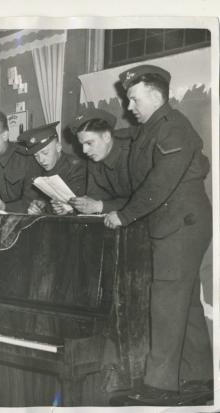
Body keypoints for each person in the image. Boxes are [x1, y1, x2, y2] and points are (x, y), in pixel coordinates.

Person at [105, 65, 212, 403]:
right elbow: (140, 182)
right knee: (185, 302)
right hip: (176, 224)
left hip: (180, 227)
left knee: (165, 302)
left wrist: (124, 215)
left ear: (155, 95)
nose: (129, 107)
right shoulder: (152, 130)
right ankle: (200, 377)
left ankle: (161, 386)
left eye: (134, 99)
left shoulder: (172, 127)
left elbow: (159, 182)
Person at [67, 109, 132, 216]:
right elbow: (95, 197)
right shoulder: (94, 159)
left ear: (106, 137)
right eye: (82, 144)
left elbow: (145, 199)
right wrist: (78, 206)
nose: (84, 150)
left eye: (89, 143)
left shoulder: (132, 153)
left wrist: (100, 206)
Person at [16, 121, 87, 215]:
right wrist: (37, 207)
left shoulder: (76, 167)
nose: (41, 160)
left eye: (45, 153)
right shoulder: (36, 169)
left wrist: (51, 208)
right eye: (36, 155)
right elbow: (29, 200)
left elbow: (80, 206)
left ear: (58, 147)